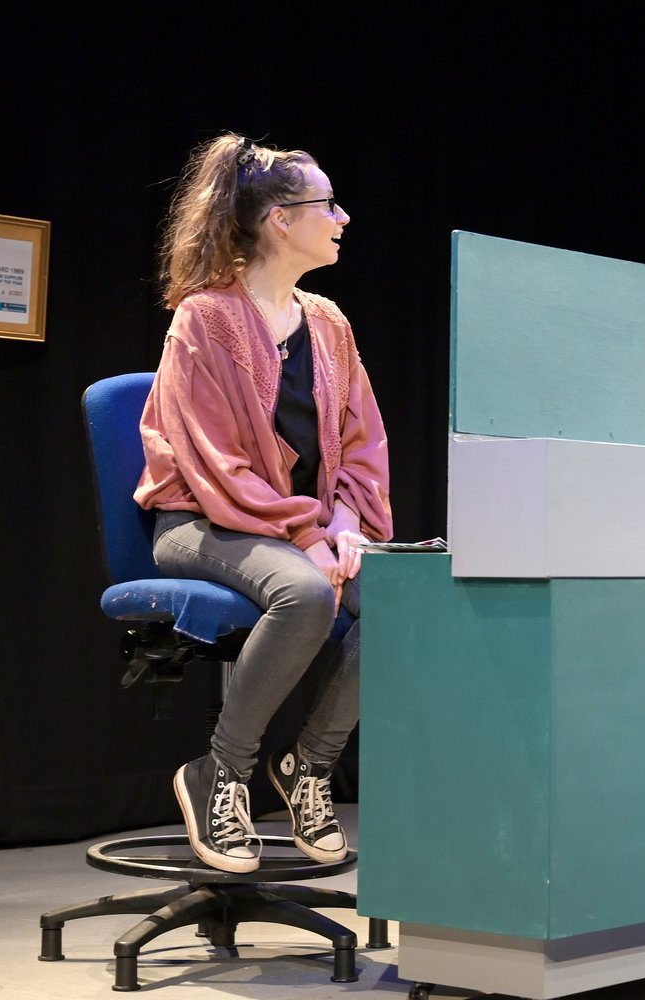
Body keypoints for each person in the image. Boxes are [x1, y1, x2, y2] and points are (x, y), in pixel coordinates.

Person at [135, 133, 394, 873]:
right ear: (281, 219)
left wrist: (347, 523)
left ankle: (309, 766)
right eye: (328, 205)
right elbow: (215, 466)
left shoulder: (329, 323)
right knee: (305, 593)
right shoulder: (204, 319)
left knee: (406, 599)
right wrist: (308, 536)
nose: (342, 218)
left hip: (296, 527)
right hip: (201, 520)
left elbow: (363, 442)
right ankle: (220, 772)